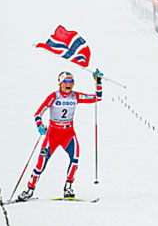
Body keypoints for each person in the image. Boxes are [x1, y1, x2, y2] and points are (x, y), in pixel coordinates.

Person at [17, 69, 103, 201]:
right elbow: (38, 113)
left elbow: (97, 98)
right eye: (66, 81)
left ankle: (68, 187)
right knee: (40, 164)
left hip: (68, 134)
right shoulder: (54, 96)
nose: (69, 84)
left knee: (75, 159)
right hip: (53, 135)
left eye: (71, 81)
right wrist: (39, 125)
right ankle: (29, 190)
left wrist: (98, 82)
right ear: (60, 83)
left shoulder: (76, 96)